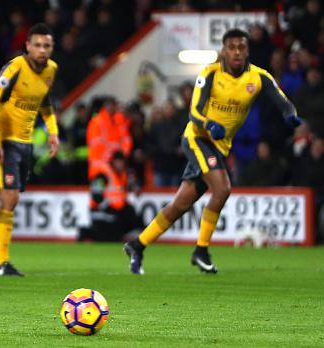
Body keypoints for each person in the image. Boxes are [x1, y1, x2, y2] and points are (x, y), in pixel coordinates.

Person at [124, 29, 302, 275]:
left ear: (247, 50)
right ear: (224, 51)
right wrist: (209, 124)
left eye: (241, 47)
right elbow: (194, 112)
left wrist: (290, 114)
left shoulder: (259, 77)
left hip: (219, 147)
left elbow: (282, 99)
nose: (237, 52)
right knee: (222, 188)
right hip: (198, 139)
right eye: (232, 47)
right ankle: (201, 251)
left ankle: (138, 245)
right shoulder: (210, 73)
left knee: (180, 205)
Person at [0, 23, 59, 277]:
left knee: (0, 199)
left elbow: (45, 103)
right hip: (4, 142)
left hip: (25, 144)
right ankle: (1, 263)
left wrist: (53, 133)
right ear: (27, 46)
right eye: (36, 45)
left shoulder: (51, 70)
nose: (41, 50)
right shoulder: (16, 67)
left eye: (46, 45)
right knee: (10, 199)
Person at [82, 151, 143, 242]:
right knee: (112, 234)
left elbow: (131, 185)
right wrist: (108, 207)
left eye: (121, 162)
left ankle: (133, 238)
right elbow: (96, 195)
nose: (120, 164)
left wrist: (135, 188)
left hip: (118, 210)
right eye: (118, 162)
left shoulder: (123, 174)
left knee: (133, 215)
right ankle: (86, 233)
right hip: (101, 211)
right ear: (113, 162)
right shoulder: (103, 175)